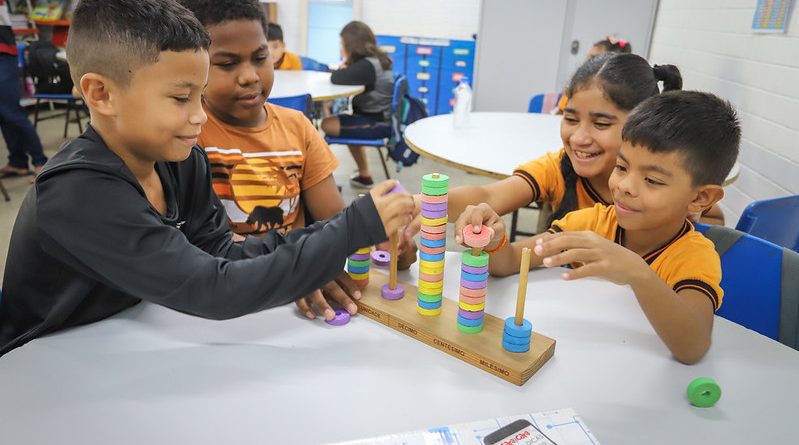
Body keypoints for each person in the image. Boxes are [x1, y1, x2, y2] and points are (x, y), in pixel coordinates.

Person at [0, 0, 414, 357]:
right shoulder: (77, 192)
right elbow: (213, 289)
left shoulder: (181, 160)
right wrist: (352, 227)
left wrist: (334, 234)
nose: (199, 116)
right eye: (181, 98)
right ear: (101, 94)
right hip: (44, 366)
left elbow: (222, 252)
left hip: (124, 348)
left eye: (200, 95)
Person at [455, 90, 740, 364]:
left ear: (700, 198)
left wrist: (638, 273)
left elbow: (693, 348)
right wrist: (494, 241)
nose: (625, 186)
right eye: (622, 167)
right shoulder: (591, 223)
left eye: (652, 180)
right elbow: (511, 262)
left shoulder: (694, 256)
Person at [181, 0, 416, 320]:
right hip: (219, 302)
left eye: (260, 57)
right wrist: (299, 269)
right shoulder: (187, 137)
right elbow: (193, 250)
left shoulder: (298, 128)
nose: (249, 76)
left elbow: (338, 225)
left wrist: (389, 245)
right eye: (227, 63)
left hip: (296, 310)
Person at [321, 21, 394, 188]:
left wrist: (346, 62)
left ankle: (322, 180)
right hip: (379, 118)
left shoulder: (367, 65)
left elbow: (336, 77)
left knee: (327, 124)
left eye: (343, 45)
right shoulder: (376, 60)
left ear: (352, 45)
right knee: (347, 123)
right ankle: (364, 175)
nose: (342, 49)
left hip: (376, 124)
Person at [0, 0, 48, 179]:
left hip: (2, 54)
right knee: (4, 115)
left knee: (11, 112)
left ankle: (41, 163)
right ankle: (17, 162)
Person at [555, 35, 634, 113]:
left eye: (594, 58)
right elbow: (561, 111)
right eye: (588, 58)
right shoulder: (578, 84)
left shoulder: (618, 93)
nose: (587, 62)